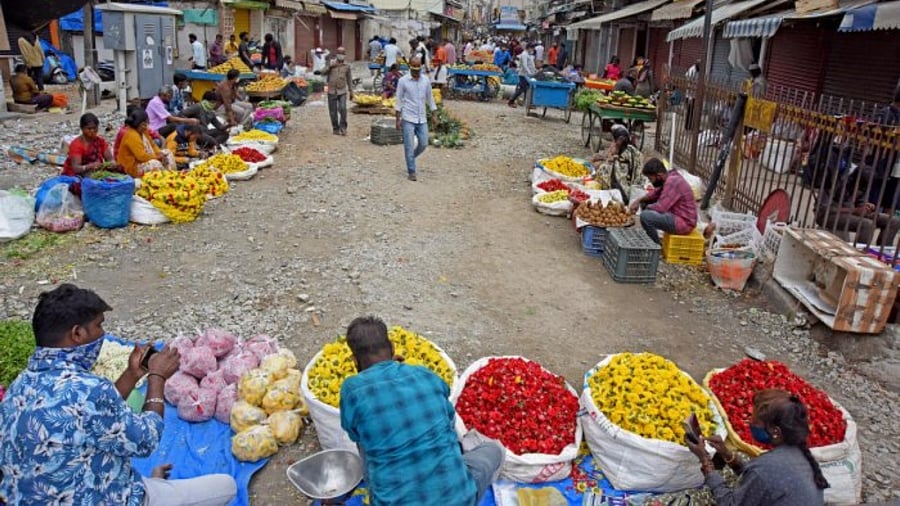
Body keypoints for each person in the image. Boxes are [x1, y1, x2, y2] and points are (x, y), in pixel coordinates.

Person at [0, 284, 237, 506]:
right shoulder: (90, 390)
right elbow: (146, 441)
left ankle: (151, 486)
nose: (103, 333)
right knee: (226, 487)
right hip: (107, 497)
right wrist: (157, 378)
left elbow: (91, 413)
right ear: (77, 334)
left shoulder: (19, 387)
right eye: (99, 325)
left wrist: (131, 375)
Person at [339, 316, 503, 504]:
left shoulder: (352, 390)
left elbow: (354, 435)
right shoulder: (424, 375)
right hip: (459, 499)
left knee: (366, 442)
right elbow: (448, 418)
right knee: (494, 449)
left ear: (354, 360)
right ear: (392, 348)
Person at [686, 389, 828, 505]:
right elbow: (760, 480)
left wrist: (705, 461)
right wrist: (726, 453)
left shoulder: (765, 468)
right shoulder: (798, 452)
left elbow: (729, 503)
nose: (750, 423)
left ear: (776, 431)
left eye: (754, 420)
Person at [816, 158, 900, 247]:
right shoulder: (835, 182)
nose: (862, 187)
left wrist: (866, 207)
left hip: (852, 213)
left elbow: (861, 203)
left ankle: (883, 252)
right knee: (867, 225)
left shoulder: (864, 184)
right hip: (829, 215)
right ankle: (857, 252)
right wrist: (854, 210)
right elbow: (824, 209)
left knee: (894, 221)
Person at [629, 158, 697, 244]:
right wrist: (638, 201)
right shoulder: (669, 177)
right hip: (677, 216)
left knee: (645, 217)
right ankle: (652, 236)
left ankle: (656, 246)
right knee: (646, 204)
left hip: (685, 223)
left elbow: (661, 207)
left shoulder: (672, 181)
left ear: (659, 175)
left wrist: (645, 209)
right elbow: (655, 193)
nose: (650, 182)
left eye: (651, 179)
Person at [395, 57, 437, 182]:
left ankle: (411, 158)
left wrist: (434, 114)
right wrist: (397, 118)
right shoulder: (403, 81)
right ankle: (411, 171)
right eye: (414, 69)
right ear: (409, 67)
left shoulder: (426, 81)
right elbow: (399, 100)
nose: (416, 72)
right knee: (409, 145)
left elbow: (430, 98)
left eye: (418, 69)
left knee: (424, 143)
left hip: (422, 117)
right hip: (408, 117)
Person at [116, 109, 175, 178]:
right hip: (132, 167)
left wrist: (160, 154)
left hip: (144, 160)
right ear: (139, 124)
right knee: (155, 164)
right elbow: (141, 157)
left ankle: (171, 176)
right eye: (145, 124)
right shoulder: (131, 135)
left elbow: (153, 145)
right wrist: (158, 157)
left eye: (147, 123)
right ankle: (161, 181)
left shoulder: (143, 131)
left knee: (168, 153)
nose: (146, 126)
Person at [591, 124, 643, 202]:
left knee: (602, 169)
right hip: (633, 188)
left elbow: (607, 169)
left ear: (620, 140)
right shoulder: (632, 150)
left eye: (614, 140)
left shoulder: (621, 160)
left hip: (623, 194)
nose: (613, 142)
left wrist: (607, 160)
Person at [63, 113, 116, 179]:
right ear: (82, 128)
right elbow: (76, 168)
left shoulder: (100, 141)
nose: (92, 131)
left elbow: (110, 159)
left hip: (96, 172)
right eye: (89, 128)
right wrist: (90, 166)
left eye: (94, 128)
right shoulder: (77, 145)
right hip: (78, 175)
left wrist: (111, 164)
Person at [323, 47, 353, 136]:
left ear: (345, 55)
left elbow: (349, 79)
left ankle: (343, 127)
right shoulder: (331, 63)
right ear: (336, 54)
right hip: (331, 90)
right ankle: (335, 128)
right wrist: (330, 66)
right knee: (333, 111)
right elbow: (323, 72)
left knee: (343, 108)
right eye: (339, 53)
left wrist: (351, 91)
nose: (341, 55)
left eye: (343, 53)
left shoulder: (347, 66)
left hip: (342, 90)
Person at [508, 44, 536, 108]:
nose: (532, 50)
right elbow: (524, 65)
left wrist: (533, 71)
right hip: (523, 75)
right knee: (522, 89)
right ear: (528, 48)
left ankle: (528, 103)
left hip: (527, 75)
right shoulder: (524, 54)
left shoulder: (528, 55)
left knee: (528, 88)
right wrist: (529, 73)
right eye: (532, 48)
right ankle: (511, 101)